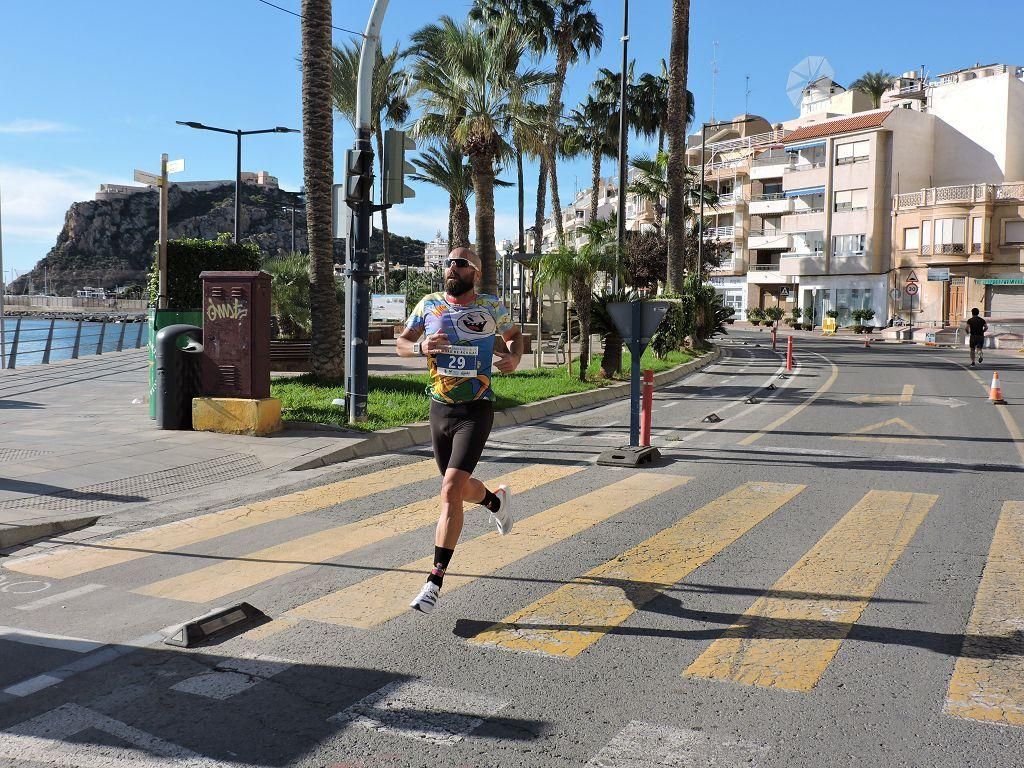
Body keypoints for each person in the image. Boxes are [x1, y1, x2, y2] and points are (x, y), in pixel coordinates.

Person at [396, 247, 524, 614]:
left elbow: (515, 335)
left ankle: (434, 580)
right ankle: (495, 501)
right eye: (449, 262)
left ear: (476, 273)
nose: (452, 267)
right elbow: (402, 344)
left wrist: (514, 356)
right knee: (458, 490)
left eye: (461, 263)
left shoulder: (490, 306)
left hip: (477, 407)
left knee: (449, 488)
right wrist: (419, 347)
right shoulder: (429, 304)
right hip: (440, 408)